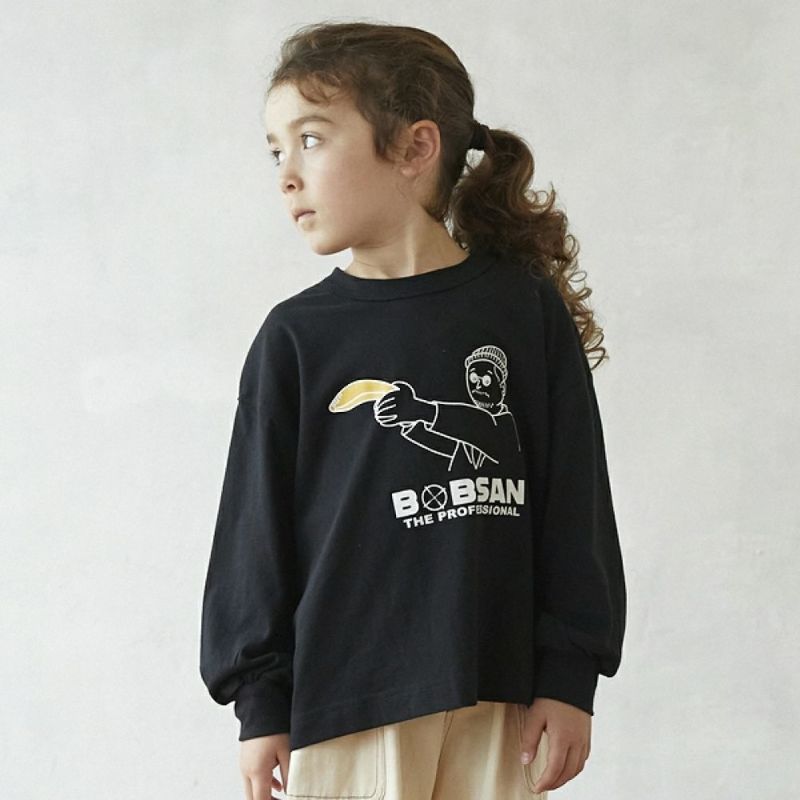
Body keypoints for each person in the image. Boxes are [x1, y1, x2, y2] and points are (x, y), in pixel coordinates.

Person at [200, 20, 627, 800]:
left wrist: (570, 674)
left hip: (499, 698)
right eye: (275, 151)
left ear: (414, 148)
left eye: (311, 140)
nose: (286, 175)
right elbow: (253, 536)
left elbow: (576, 504)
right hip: (348, 704)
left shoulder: (524, 313)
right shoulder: (297, 338)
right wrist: (260, 702)